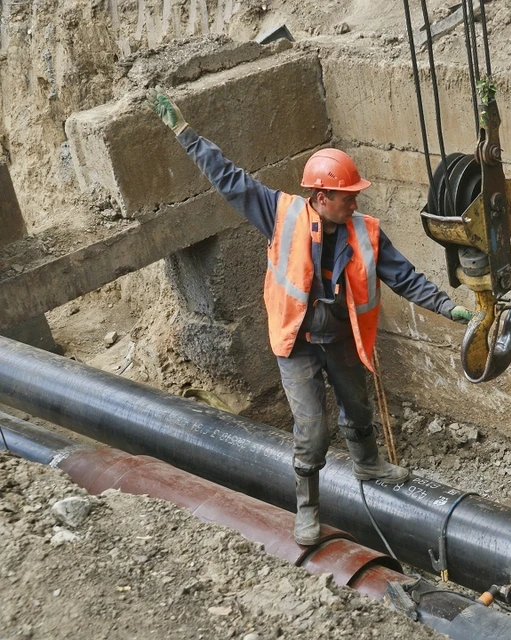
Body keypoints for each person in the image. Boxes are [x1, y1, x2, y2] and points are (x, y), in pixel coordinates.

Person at [150, 92, 473, 547]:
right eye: (347, 197)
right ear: (321, 196)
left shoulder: (366, 233)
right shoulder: (280, 214)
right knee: (313, 429)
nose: (354, 204)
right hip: (297, 341)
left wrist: (447, 307)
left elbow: (405, 278)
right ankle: (307, 506)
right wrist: (186, 133)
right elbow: (229, 179)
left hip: (341, 338)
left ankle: (368, 464)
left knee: (357, 408)